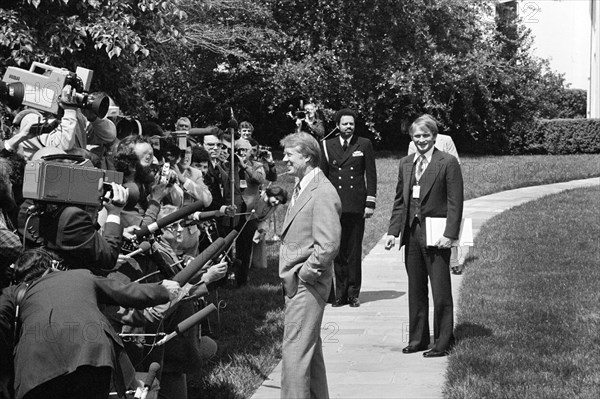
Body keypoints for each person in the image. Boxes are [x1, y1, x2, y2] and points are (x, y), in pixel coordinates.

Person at [0, 248, 181, 399]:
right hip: (90, 359)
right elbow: (126, 292)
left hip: (34, 373)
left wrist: (5, 372)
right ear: (53, 266)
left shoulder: (12, 293)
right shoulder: (81, 276)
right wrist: (163, 291)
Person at [384, 114, 464, 358]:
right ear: (412, 138)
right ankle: (417, 339)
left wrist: (450, 235)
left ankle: (443, 341)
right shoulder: (406, 163)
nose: (421, 140)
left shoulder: (447, 162)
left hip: (437, 234)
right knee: (416, 289)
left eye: (425, 136)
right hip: (412, 234)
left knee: (440, 289)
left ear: (434, 137)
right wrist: (393, 231)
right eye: (416, 136)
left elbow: (455, 202)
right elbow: (400, 201)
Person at [279, 132, 341, 398]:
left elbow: (327, 245)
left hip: (307, 286)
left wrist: (305, 275)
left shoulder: (322, 191)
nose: (284, 159)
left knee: (294, 353)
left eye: (289, 154)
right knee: (309, 351)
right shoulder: (303, 186)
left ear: (306, 155)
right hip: (300, 284)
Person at [321, 108, 377, 308]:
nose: (348, 127)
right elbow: (323, 177)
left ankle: (353, 293)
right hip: (335, 205)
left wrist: (370, 202)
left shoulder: (364, 144)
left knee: (353, 250)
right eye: (344, 123)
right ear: (337, 126)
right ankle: (340, 293)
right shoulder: (327, 146)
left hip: (355, 205)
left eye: (351, 123)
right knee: (337, 250)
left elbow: (371, 175)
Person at [406, 114, 468, 275]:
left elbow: (455, 162)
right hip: (423, 187)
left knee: (449, 225)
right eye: (418, 134)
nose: (421, 138)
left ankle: (454, 261)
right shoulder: (414, 143)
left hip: (444, 183)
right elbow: (411, 166)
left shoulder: (446, 140)